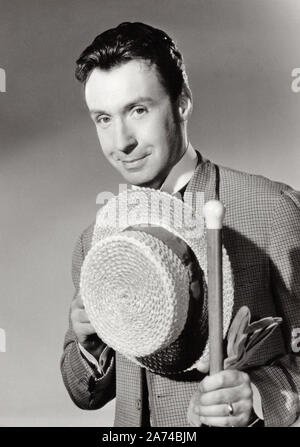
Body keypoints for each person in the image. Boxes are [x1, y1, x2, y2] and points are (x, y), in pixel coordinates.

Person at [60, 22, 300, 427]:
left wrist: (257, 396)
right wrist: (88, 341)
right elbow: (84, 394)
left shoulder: (272, 209)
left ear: (182, 102)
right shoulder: (96, 242)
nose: (121, 141)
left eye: (138, 110)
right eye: (103, 118)